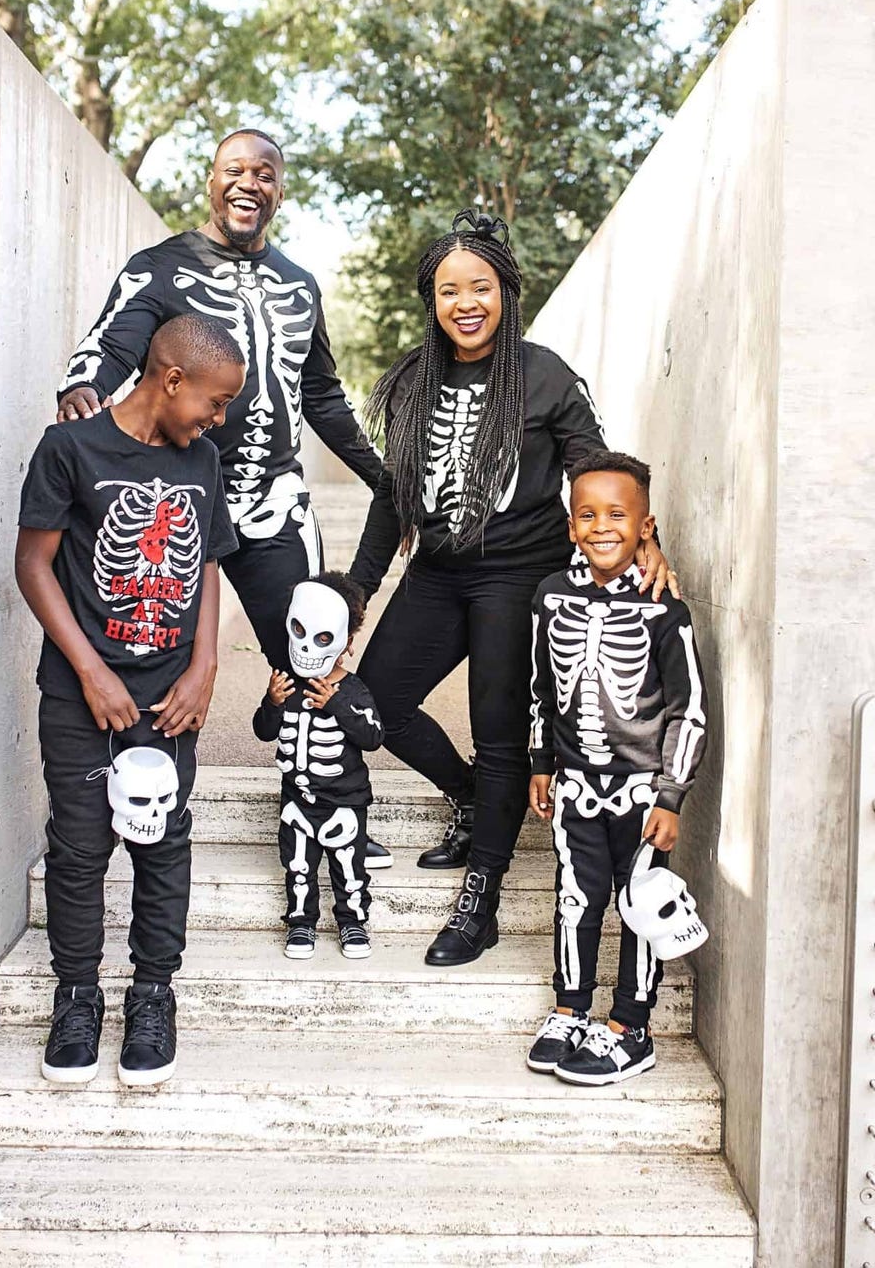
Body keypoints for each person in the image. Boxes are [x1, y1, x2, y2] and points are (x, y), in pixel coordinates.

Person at [55, 128, 391, 869]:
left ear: (279, 187)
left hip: (276, 497)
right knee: (158, 662)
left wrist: (381, 474)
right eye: (235, 170)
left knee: (313, 649)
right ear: (211, 181)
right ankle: (133, 814)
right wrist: (84, 386)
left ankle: (327, 807)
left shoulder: (302, 285)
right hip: (181, 491)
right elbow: (113, 344)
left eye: (265, 172)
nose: (250, 183)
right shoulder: (161, 267)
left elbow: (323, 396)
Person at [349, 209, 675, 967]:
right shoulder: (411, 382)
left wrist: (644, 542)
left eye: (481, 288)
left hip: (518, 577)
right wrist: (356, 591)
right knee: (374, 704)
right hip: (433, 573)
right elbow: (392, 499)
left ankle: (483, 894)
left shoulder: (545, 374)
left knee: (501, 733)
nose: (466, 303)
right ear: (431, 300)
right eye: (449, 291)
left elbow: (596, 470)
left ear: (507, 292)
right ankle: (471, 797)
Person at [15, 314, 244, 1086]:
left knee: (163, 840)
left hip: (170, 691)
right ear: (171, 380)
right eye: (213, 404)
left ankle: (153, 994)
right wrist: (88, 669)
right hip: (84, 691)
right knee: (79, 849)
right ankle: (77, 995)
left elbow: (208, 563)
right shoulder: (69, 449)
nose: (217, 420)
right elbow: (34, 565)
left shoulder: (203, 460)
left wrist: (206, 664)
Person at [526, 449, 707, 1084]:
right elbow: (541, 688)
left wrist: (671, 796)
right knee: (576, 899)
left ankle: (632, 1026)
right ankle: (571, 1007)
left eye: (618, 515)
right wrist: (540, 762)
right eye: (588, 515)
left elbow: (690, 711)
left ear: (645, 526)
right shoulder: (550, 598)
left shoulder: (664, 610)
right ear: (572, 526)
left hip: (640, 792)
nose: (603, 527)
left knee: (638, 903)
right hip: (576, 786)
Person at [252, 573, 384, 960]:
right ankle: (301, 924)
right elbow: (264, 731)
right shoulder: (288, 684)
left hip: (344, 804)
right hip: (297, 803)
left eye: (325, 639)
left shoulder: (354, 689)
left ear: (346, 643)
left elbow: (373, 735)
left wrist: (337, 705)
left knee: (349, 871)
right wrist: (272, 703)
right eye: (301, 632)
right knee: (297, 869)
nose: (310, 648)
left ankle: (353, 922)